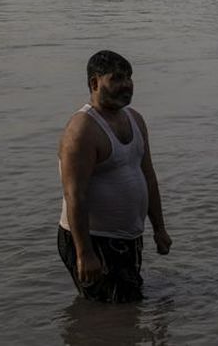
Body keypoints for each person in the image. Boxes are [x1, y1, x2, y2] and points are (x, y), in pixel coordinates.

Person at [57, 50, 171, 302]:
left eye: (129, 77)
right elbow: (75, 194)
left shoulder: (135, 120)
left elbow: (148, 177)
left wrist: (159, 229)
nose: (126, 85)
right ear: (94, 83)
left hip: (126, 238)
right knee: (111, 312)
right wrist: (84, 253)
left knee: (123, 313)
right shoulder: (83, 129)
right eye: (117, 78)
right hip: (93, 240)